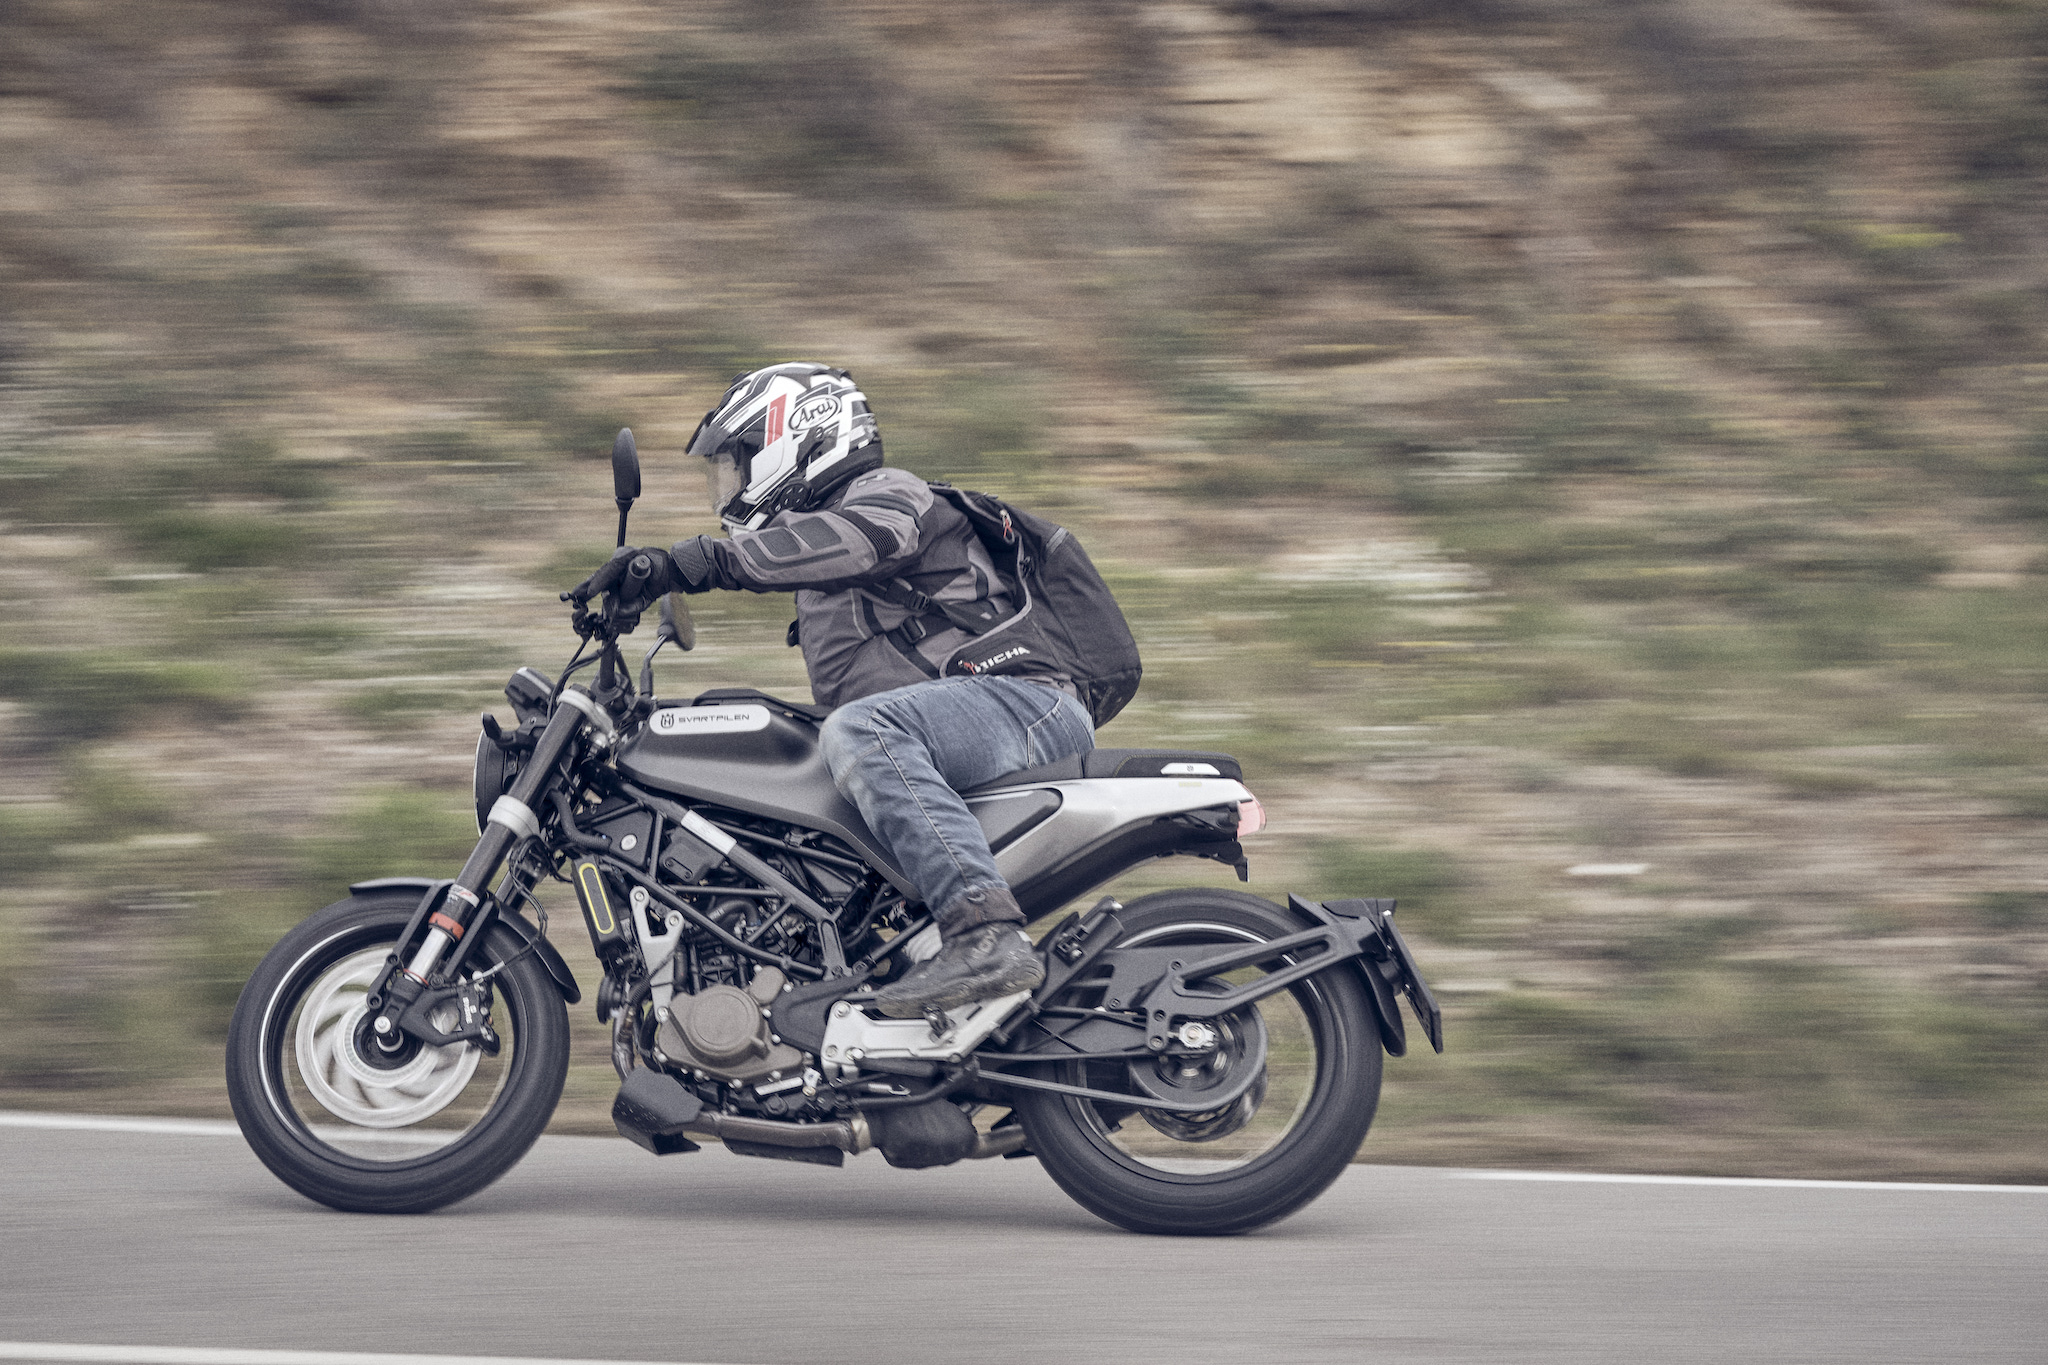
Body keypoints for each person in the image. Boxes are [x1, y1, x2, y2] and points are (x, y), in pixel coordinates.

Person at [568, 362, 1096, 1019]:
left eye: (735, 463)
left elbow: (860, 541)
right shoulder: (820, 575)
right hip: (960, 723)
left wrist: (692, 563)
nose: (726, 487)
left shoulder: (886, 495)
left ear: (800, 440)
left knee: (861, 733)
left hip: (1024, 701)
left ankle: (985, 934)